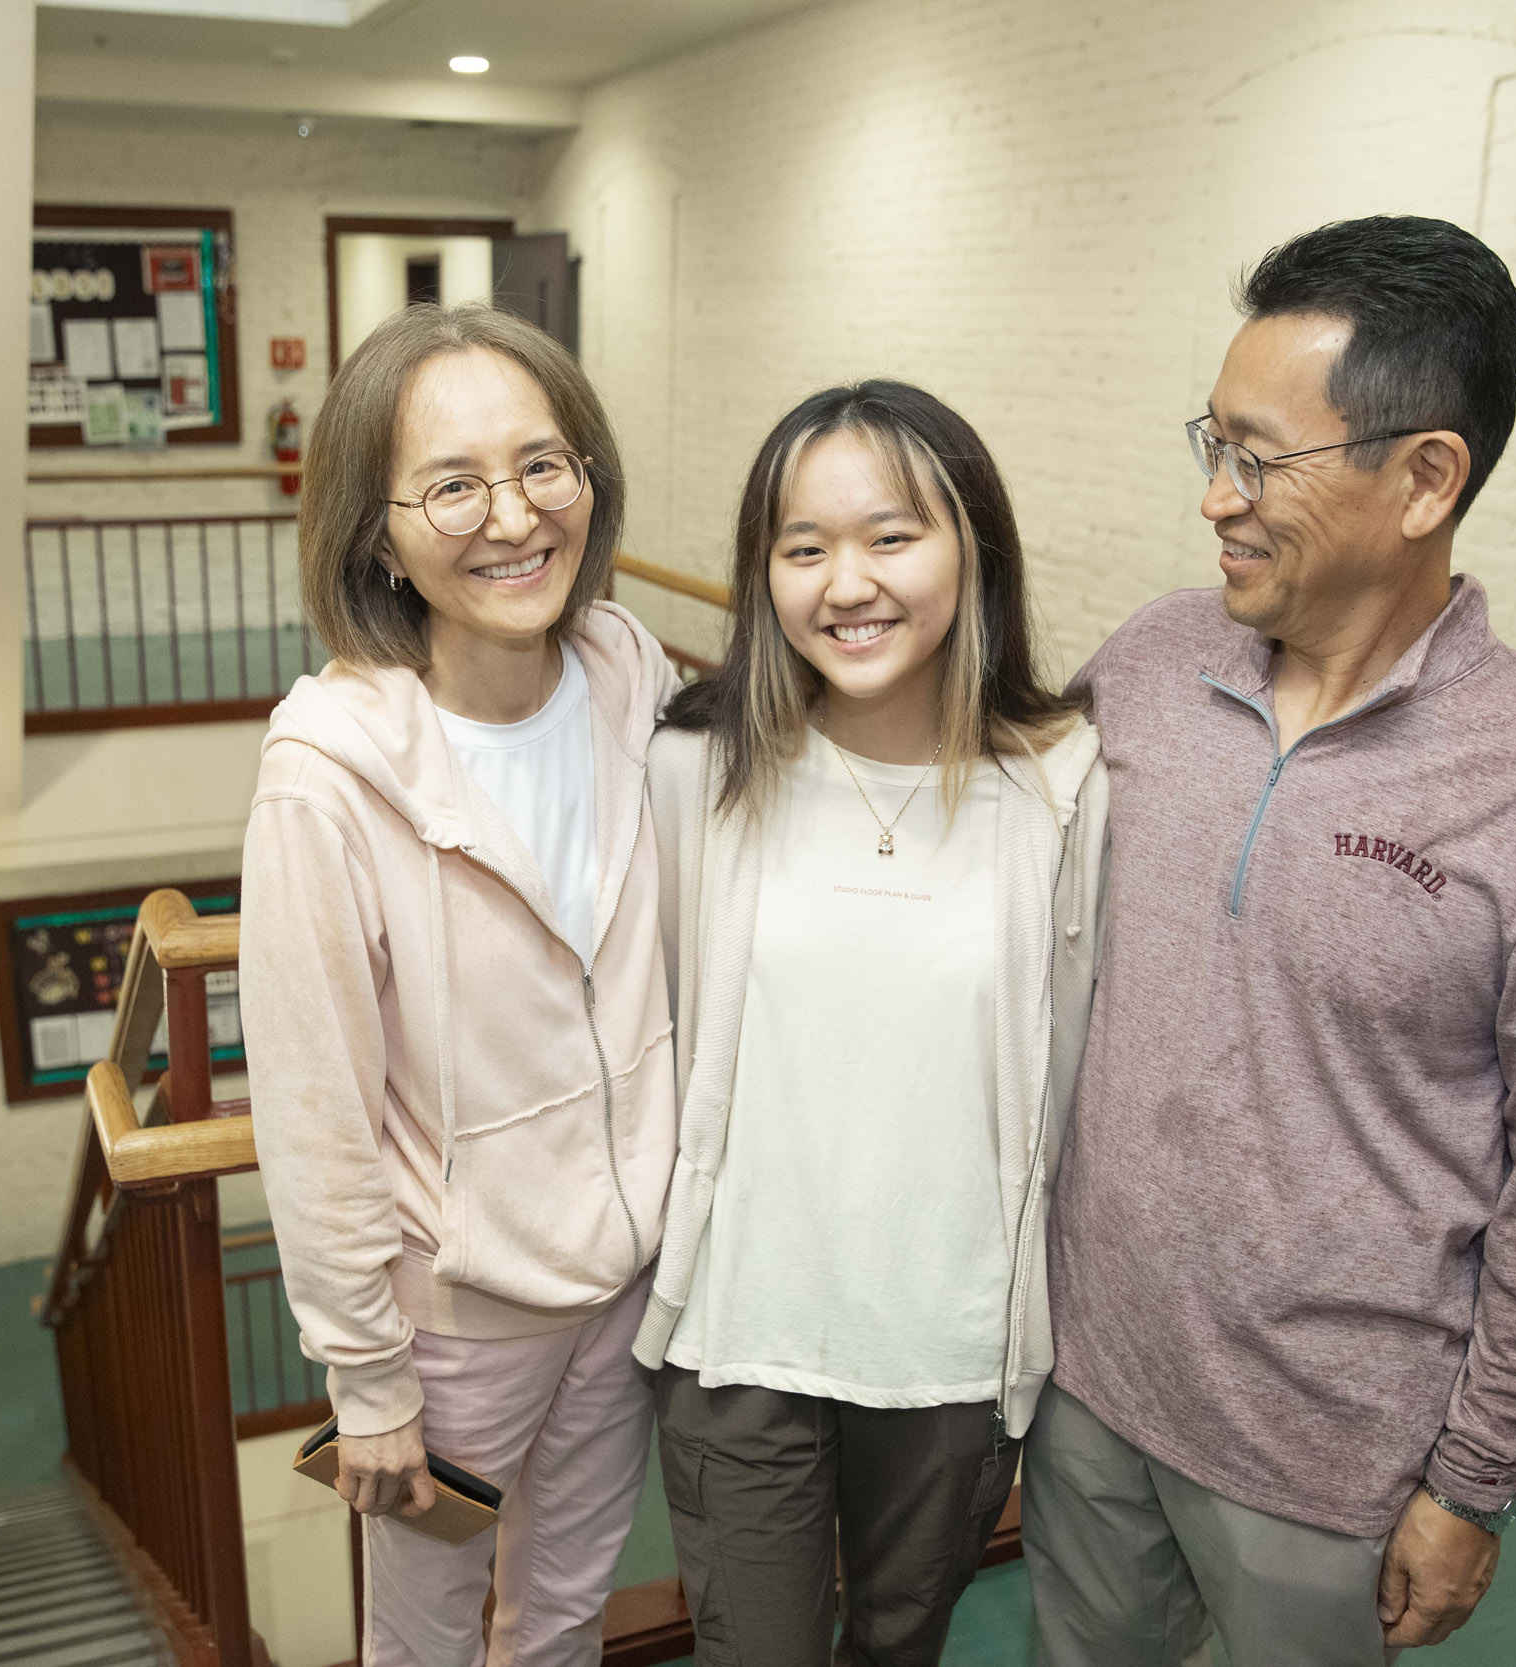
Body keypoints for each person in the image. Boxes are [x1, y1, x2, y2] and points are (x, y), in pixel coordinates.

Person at [1027, 216, 1516, 1664]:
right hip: (1088, 1373)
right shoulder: (1149, 662)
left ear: (1426, 476)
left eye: (1261, 459)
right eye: (1212, 442)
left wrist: (1476, 1477)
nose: (1214, 499)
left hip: (1330, 1460)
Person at [638, 381, 1109, 1667]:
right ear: (764, 573)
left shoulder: (1061, 788)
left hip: (951, 1344)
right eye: (803, 548)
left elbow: (1073, 1064)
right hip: (739, 1328)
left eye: (892, 535)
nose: (848, 582)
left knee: (900, 1647)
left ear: (973, 547)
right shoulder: (696, 771)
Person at [238, 303, 681, 1667]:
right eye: (452, 483)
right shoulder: (324, 780)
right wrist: (365, 1377)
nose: (511, 515)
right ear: (379, 534)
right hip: (452, 1328)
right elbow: (314, 1107)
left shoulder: (630, 669)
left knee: (559, 1612)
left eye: (544, 463)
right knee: (423, 1639)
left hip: (623, 1288)